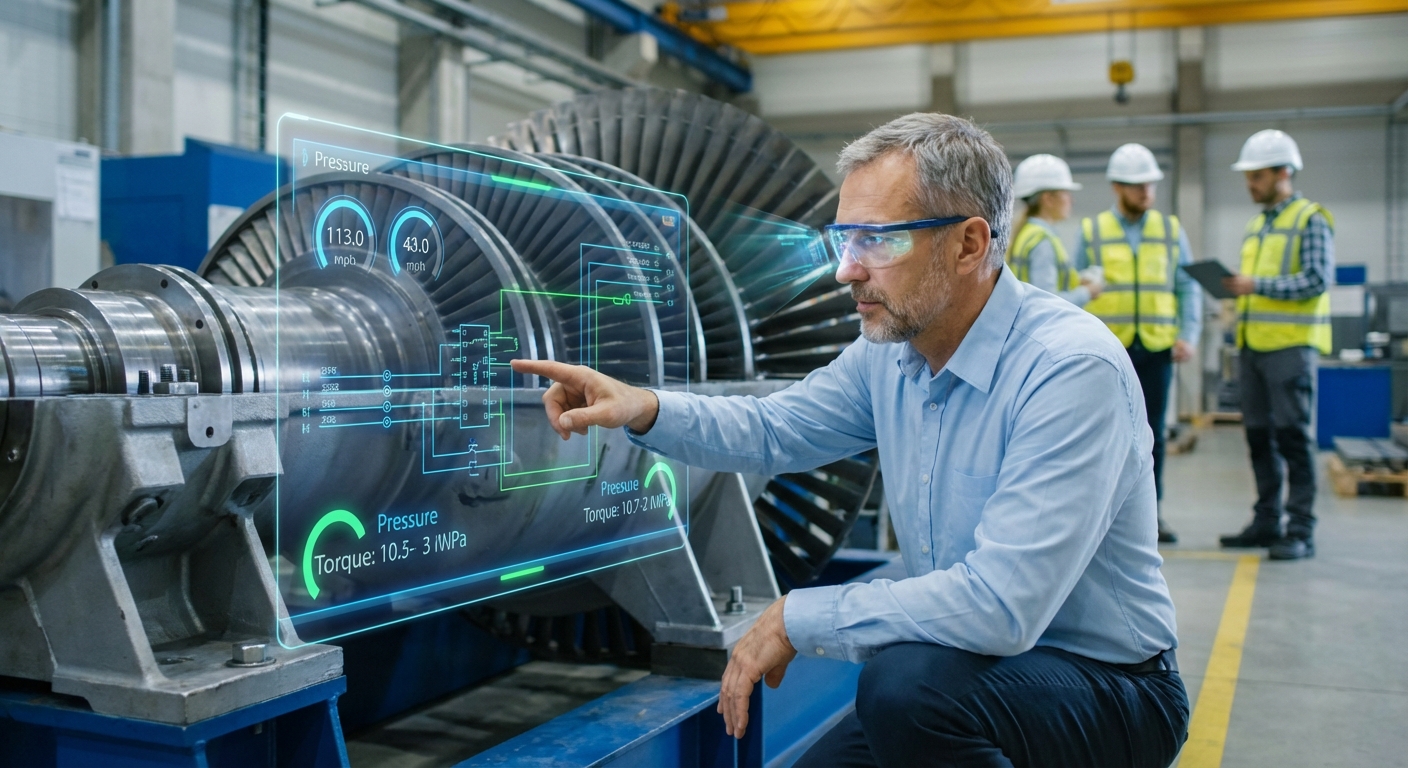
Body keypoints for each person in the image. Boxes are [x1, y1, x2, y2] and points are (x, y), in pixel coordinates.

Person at [512, 114, 1188, 767]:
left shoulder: (1068, 369)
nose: (847, 271)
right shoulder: (891, 355)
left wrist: (793, 619)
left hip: (1106, 685)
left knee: (903, 689)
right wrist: (643, 407)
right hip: (973, 670)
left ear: (970, 244)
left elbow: (1000, 606)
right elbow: (773, 429)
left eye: (878, 240)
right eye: (844, 239)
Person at [1076, 143, 1202, 544]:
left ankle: (1152, 516)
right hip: (1108, 351)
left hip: (1157, 347)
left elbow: (1187, 286)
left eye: (1150, 184)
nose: (1146, 192)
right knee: (1103, 434)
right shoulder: (1092, 231)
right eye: (1136, 185)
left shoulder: (1169, 230)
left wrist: (1189, 333)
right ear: (1117, 187)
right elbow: (1077, 290)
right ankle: (1102, 517)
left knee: (1152, 436)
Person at [1218, 129, 1333, 562]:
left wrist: (1256, 285)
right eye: (1248, 176)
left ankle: (1300, 528)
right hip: (1254, 348)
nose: (1251, 183)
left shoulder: (1310, 218)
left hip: (1290, 348)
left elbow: (1317, 279)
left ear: (1284, 172)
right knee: (1258, 438)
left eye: (1258, 175)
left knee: (1293, 438)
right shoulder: (1257, 226)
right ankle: (1267, 520)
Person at [1006, 154, 1102, 306]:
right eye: (1066, 193)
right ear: (1048, 199)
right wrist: (1087, 292)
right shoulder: (1042, 240)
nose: (1072, 200)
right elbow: (1048, 302)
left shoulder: (1027, 233)